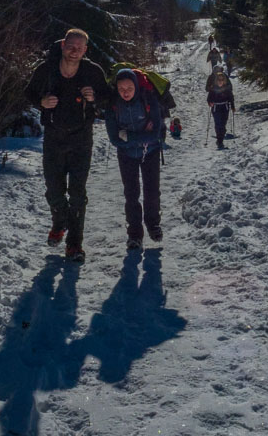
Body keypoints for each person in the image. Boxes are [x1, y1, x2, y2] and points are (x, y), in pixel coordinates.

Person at [25, 27, 110, 263]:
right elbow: (29, 92)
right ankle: (59, 221)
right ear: (63, 45)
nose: (74, 51)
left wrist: (94, 98)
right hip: (53, 137)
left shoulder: (92, 71)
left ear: (85, 50)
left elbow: (107, 95)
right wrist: (42, 102)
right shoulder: (47, 70)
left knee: (77, 193)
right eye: (71, 46)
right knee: (54, 189)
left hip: (82, 138)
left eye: (80, 48)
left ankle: (75, 245)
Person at [105, 69, 165, 249]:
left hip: (151, 152)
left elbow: (156, 134)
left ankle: (153, 225)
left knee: (152, 191)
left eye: (129, 87)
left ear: (136, 86)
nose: (125, 92)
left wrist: (129, 137)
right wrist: (140, 136)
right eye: (121, 88)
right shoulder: (113, 104)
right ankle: (134, 233)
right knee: (131, 194)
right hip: (126, 156)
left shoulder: (148, 99)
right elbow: (114, 138)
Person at [206, 67, 235, 149]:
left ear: (224, 80)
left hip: (225, 107)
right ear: (216, 80)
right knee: (218, 123)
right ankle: (220, 141)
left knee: (223, 124)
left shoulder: (227, 89)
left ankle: (220, 138)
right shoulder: (213, 89)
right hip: (216, 107)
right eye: (219, 80)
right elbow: (208, 99)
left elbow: (231, 98)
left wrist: (232, 106)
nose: (220, 81)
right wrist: (210, 103)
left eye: (222, 80)